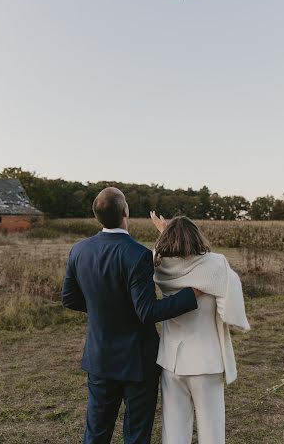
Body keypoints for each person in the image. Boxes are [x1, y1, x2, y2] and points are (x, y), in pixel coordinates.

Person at [62, 188, 201, 444]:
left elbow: (69, 298)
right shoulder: (137, 254)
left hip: (99, 357)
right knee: (136, 434)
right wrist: (190, 295)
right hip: (137, 361)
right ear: (126, 212)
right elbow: (147, 312)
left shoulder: (79, 250)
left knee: (96, 431)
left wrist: (103, 309)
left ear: (97, 216)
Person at [150, 212, 250, 444]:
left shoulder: (160, 266)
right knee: (212, 432)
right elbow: (228, 311)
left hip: (171, 362)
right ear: (197, 237)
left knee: (174, 433)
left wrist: (164, 232)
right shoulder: (216, 265)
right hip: (206, 361)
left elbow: (158, 253)